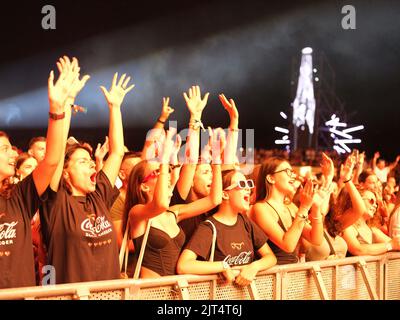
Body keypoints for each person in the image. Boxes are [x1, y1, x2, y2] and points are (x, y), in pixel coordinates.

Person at [40, 62, 133, 284]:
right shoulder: (56, 202)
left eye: (91, 161)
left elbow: (118, 152)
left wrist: (115, 108)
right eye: (83, 161)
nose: (92, 165)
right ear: (64, 172)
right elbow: (57, 149)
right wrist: (68, 101)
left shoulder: (98, 195)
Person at [0, 56, 78, 288]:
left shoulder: (18, 197)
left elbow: (52, 160)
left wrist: (57, 110)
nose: (13, 154)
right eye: (4, 149)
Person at [123, 126, 223, 278]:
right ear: (143, 186)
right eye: (157, 172)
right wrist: (163, 161)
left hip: (175, 291)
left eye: (165, 170)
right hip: (151, 292)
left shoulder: (173, 213)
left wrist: (216, 159)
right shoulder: (137, 213)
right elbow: (160, 204)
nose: (165, 173)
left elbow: (214, 199)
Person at [177, 170, 277, 287]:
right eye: (242, 184)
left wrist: (254, 267)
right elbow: (183, 265)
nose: (248, 189)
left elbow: (271, 257)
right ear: (225, 194)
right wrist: (223, 266)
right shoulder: (209, 227)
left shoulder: (245, 222)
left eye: (248, 184)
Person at [250, 157, 324, 264]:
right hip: (272, 276)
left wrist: (316, 208)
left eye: (293, 172)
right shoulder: (260, 208)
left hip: (291, 273)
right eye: (288, 172)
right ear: (271, 178)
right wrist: (304, 208)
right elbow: (288, 245)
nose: (293, 176)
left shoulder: (290, 206)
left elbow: (316, 239)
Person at [303, 154, 367, 260]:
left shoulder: (334, 226)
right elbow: (320, 212)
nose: (324, 198)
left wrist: (347, 179)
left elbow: (359, 210)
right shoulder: (304, 226)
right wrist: (328, 179)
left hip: (342, 276)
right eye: (321, 196)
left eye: (328, 195)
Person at [342, 188, 400, 256]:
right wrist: (390, 245)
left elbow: (396, 243)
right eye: (371, 201)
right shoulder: (347, 226)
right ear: (357, 200)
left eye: (376, 203)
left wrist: (393, 244)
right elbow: (357, 249)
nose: (375, 205)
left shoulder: (371, 229)